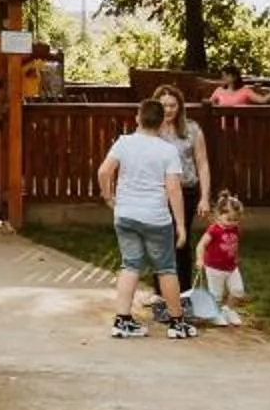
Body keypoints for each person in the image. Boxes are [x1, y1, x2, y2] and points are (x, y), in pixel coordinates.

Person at [97, 94, 197, 340]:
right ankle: (177, 322)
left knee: (130, 265)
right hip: (156, 217)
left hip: (125, 214)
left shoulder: (123, 142)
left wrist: (108, 196)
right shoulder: (167, 150)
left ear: (137, 118)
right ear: (163, 122)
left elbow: (103, 171)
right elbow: (174, 189)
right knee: (165, 268)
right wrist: (181, 225)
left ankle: (122, 320)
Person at [151, 84, 217, 322]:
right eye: (163, 105)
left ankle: (183, 296)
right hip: (158, 193)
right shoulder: (151, 130)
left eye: (172, 105)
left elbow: (202, 163)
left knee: (181, 241)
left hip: (186, 191)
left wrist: (204, 196)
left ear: (179, 106)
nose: (168, 110)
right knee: (161, 242)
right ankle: (160, 298)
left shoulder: (191, 130)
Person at [195, 192, 250, 326]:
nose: (232, 223)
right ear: (218, 215)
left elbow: (232, 245)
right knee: (216, 295)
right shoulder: (214, 230)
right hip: (214, 268)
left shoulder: (235, 229)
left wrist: (235, 256)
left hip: (231, 267)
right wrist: (199, 259)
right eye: (229, 219)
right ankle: (215, 314)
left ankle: (228, 310)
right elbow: (201, 245)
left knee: (238, 291)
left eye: (236, 219)